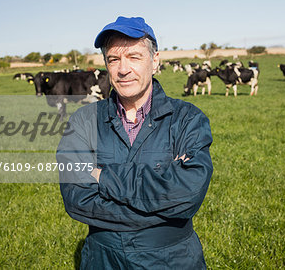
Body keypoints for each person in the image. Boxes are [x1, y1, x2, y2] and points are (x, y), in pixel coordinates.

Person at [57, 16, 213, 269]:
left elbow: (187, 195)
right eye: (114, 59)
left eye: (134, 57)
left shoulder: (187, 119)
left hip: (173, 260)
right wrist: (161, 199)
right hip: (102, 260)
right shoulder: (84, 120)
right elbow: (76, 200)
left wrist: (102, 176)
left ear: (155, 62)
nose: (123, 69)